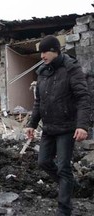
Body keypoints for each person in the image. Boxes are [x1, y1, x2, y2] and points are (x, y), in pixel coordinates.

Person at [26, 35, 91, 216]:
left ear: (55, 50)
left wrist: (83, 126)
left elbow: (83, 98)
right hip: (49, 128)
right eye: (41, 52)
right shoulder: (42, 72)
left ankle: (64, 209)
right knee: (44, 162)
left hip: (66, 127)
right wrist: (32, 124)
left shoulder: (71, 68)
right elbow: (39, 102)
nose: (42, 56)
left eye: (45, 51)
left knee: (63, 167)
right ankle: (69, 185)